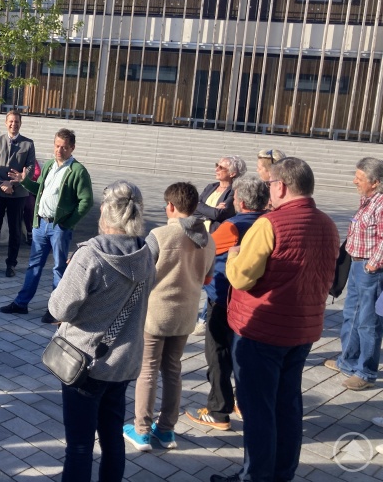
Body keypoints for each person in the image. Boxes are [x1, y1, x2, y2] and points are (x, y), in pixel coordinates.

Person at [212, 158, 339, 482]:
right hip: (303, 329)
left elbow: (241, 278)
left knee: (258, 411)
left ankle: (255, 475)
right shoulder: (328, 223)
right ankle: (283, 472)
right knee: (288, 405)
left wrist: (237, 253)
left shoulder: (269, 225)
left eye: (270, 184)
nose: (269, 190)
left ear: (281, 186)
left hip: (262, 331)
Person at [48, 181, 155, 482]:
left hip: (86, 365)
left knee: (80, 447)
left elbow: (59, 309)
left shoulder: (90, 255)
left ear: (105, 212)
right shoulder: (146, 252)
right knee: (113, 440)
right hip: (123, 363)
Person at [123, 182, 215, 452]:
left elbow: (141, 273)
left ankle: (141, 431)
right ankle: (166, 431)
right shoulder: (209, 239)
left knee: (148, 370)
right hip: (185, 314)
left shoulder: (160, 235)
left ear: (172, 207)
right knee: (173, 370)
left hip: (156, 314)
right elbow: (208, 277)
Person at [186, 176, 268, 431]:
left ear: (240, 201)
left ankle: (218, 410)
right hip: (254, 300)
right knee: (243, 353)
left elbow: (203, 250)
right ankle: (242, 402)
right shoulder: (269, 224)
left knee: (218, 354)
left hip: (224, 298)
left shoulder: (232, 227)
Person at [0, 128, 93, 323]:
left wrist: (68, 222)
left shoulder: (78, 171)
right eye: (57, 146)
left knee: (58, 268)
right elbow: (39, 188)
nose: (59, 150)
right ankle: (21, 303)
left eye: (64, 147)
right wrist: (25, 182)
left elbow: (86, 201)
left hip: (59, 228)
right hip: (40, 224)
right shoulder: (50, 165)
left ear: (72, 148)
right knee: (34, 265)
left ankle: (56, 311)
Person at [325, 157, 383, 391]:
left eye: (359, 179)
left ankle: (366, 371)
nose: (354, 181)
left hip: (372, 269)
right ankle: (348, 362)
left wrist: (373, 265)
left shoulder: (381, 204)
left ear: (375, 182)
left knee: (368, 322)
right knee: (351, 314)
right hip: (357, 265)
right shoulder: (367, 200)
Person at [192, 155, 246, 335]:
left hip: (218, 240)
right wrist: (209, 210)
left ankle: (203, 320)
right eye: (216, 165)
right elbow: (196, 206)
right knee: (196, 276)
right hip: (200, 237)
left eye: (221, 167)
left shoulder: (234, 191)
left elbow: (220, 215)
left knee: (211, 279)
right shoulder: (211, 187)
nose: (216, 169)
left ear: (233, 173)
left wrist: (206, 209)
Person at [0, 110, 35, 278]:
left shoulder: (28, 144)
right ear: (6, 123)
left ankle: (11, 264)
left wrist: (14, 182)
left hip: (17, 193)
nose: (14, 124)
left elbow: (30, 168)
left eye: (17, 122)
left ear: (21, 123)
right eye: (11, 121)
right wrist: (2, 184)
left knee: (15, 230)